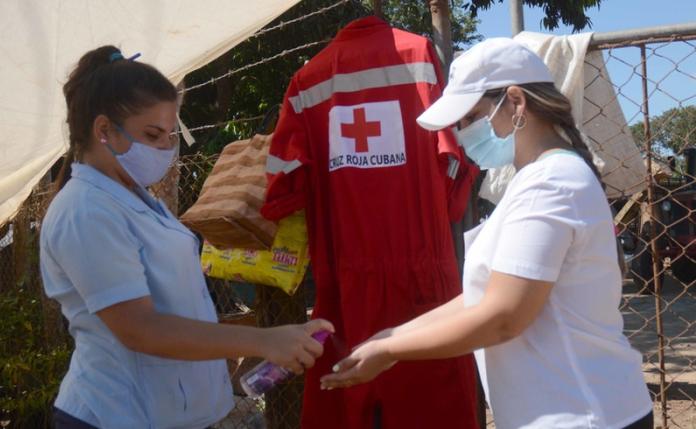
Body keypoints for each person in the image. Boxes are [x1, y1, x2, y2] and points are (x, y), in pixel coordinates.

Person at [320, 38, 653, 429]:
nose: (461, 133)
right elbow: (482, 299)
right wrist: (391, 337)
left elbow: (503, 316)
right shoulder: (535, 180)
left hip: (586, 415)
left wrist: (391, 349)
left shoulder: (552, 183)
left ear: (515, 101)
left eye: (470, 117)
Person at [40, 45, 333, 429]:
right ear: (104, 130)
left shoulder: (137, 198)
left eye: (168, 135)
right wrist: (264, 341)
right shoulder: (86, 211)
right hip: (117, 416)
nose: (164, 147)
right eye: (152, 134)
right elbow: (140, 329)